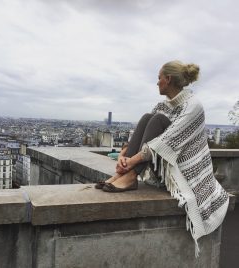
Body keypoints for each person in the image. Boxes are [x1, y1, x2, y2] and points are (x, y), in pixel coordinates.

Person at [95, 60, 229, 256]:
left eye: (159, 78)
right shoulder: (163, 105)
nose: (157, 82)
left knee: (156, 119)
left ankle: (130, 176)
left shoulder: (193, 106)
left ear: (168, 79)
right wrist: (125, 154)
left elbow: (165, 143)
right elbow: (145, 133)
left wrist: (130, 163)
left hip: (182, 170)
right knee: (147, 117)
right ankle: (124, 175)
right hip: (163, 163)